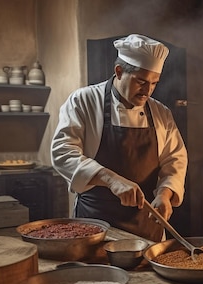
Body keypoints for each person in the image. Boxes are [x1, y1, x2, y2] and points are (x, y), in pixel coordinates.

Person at [51, 34, 187, 242]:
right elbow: (63, 153)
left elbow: (175, 160)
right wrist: (111, 179)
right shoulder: (84, 101)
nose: (147, 91)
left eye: (154, 83)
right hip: (94, 225)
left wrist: (165, 194)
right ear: (119, 72)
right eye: (141, 82)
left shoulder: (161, 113)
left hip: (145, 225)